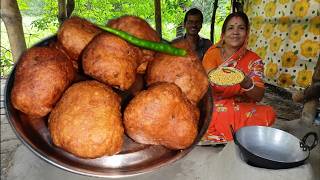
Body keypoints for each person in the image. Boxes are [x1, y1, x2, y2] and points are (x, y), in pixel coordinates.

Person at [199, 12, 276, 145]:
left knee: (268, 114)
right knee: (212, 111)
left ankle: (216, 135)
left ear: (247, 33)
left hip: (242, 108)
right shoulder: (212, 55)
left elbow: (258, 96)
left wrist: (246, 82)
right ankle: (240, 135)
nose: (235, 32)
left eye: (241, 28)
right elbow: (204, 87)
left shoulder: (254, 60)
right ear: (223, 34)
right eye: (231, 28)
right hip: (215, 106)